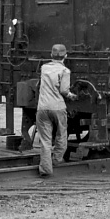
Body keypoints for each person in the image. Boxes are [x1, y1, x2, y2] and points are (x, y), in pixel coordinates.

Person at [36, 44, 77, 177]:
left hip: (42, 108)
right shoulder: (65, 71)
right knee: (61, 135)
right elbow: (64, 91)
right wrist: (72, 96)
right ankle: (57, 160)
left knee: (45, 140)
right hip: (58, 107)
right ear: (65, 56)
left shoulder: (44, 68)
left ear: (51, 56)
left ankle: (46, 169)